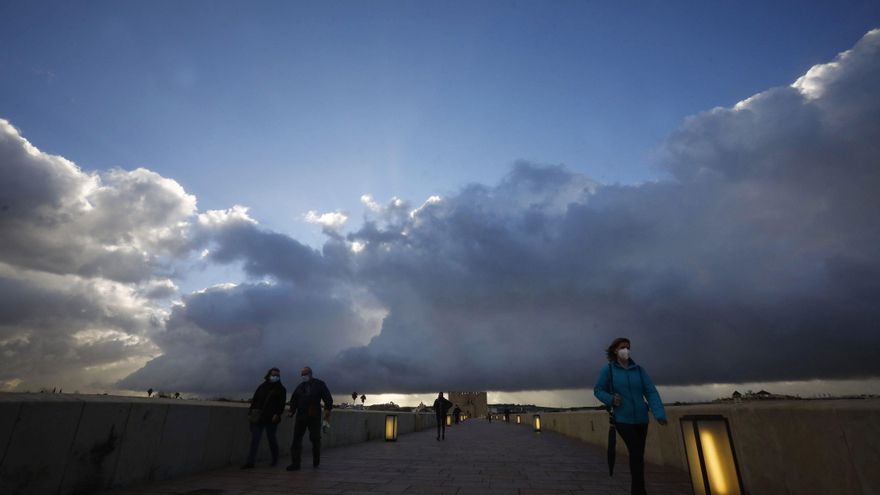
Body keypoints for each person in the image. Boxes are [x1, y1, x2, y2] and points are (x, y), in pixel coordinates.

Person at [593, 337, 667, 495]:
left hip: (641, 419)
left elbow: (650, 391)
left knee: (638, 456)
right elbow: (598, 389)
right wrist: (611, 399)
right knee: (636, 452)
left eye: (628, 347)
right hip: (622, 419)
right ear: (615, 350)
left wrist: (659, 413)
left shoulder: (639, 370)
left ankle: (638, 489)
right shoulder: (609, 370)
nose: (626, 350)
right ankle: (639, 491)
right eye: (622, 347)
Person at [287, 366, 333, 471]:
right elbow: (294, 400)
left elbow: (328, 398)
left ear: (311, 374)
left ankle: (316, 460)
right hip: (300, 417)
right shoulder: (300, 387)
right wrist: (291, 411)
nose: (304, 376)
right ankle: (295, 463)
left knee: (315, 439)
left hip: (314, 416)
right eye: (302, 374)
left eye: (305, 374)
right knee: (296, 440)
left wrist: (327, 410)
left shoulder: (320, 384)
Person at [242, 367, 286, 469]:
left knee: (271, 439)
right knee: (255, 439)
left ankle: (275, 459)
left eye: (277, 375)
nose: (275, 377)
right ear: (269, 375)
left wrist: (277, 414)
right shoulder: (262, 387)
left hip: (272, 418)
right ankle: (250, 462)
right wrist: (250, 412)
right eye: (274, 375)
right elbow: (255, 400)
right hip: (259, 417)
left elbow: (281, 404)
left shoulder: (281, 389)